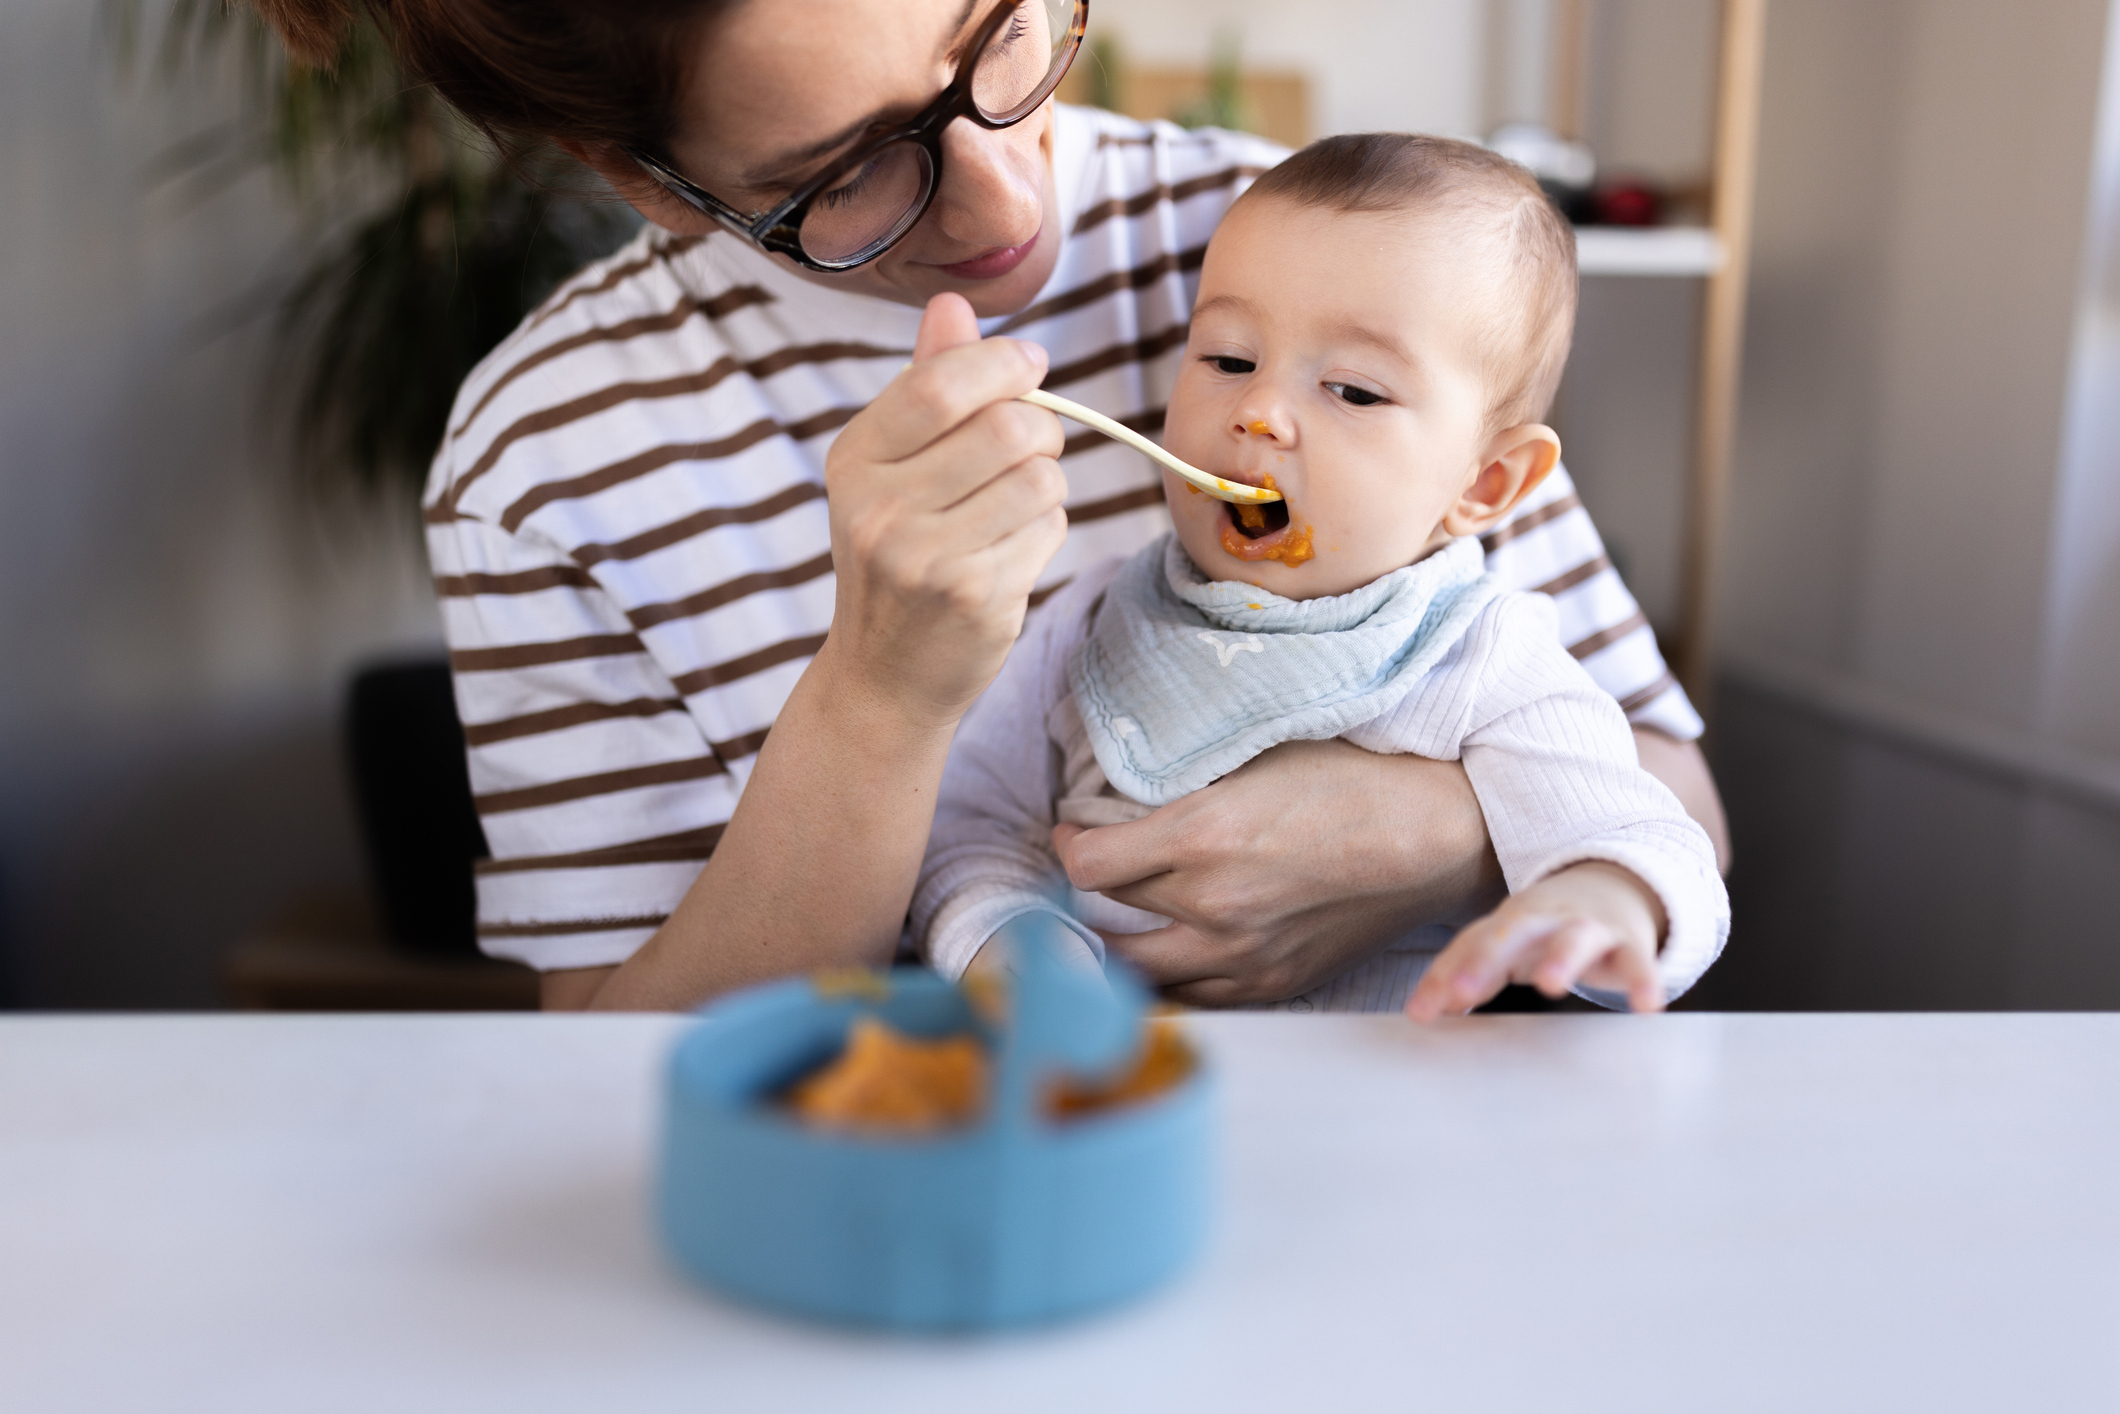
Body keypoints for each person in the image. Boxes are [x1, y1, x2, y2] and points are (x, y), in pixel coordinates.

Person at [253, 0, 1730, 1011]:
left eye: (996, 34)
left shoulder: (1314, 252)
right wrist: (880, 697)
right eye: (845, 173)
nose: (1002, 210)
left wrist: (1427, 838)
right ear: (640, 179)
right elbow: (619, 1056)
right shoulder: (547, 452)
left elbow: (1676, 812)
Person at [915, 134, 1727, 1015]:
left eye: (1353, 390)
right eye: (1228, 359)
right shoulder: (1090, 619)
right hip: (1116, 1094)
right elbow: (967, 832)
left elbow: (1647, 836)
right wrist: (1012, 947)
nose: (1259, 412)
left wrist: (1592, 905)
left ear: (1485, 483)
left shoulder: (1483, 654)